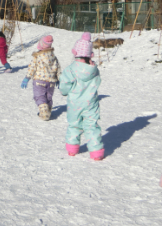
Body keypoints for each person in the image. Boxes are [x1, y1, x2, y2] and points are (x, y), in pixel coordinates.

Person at [59, 32, 104, 161]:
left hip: (75, 103)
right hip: (91, 102)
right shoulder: (94, 69)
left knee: (74, 124)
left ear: (75, 52)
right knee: (92, 126)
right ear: (90, 54)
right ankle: (96, 152)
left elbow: (64, 84)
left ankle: (72, 148)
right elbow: (97, 82)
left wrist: (66, 91)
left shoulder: (71, 69)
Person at [20, 35, 61, 121]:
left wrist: (27, 78)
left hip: (39, 81)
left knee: (39, 96)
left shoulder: (37, 56)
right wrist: (58, 78)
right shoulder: (53, 57)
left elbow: (32, 67)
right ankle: (48, 111)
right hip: (51, 82)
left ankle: (44, 113)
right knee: (48, 97)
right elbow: (58, 68)